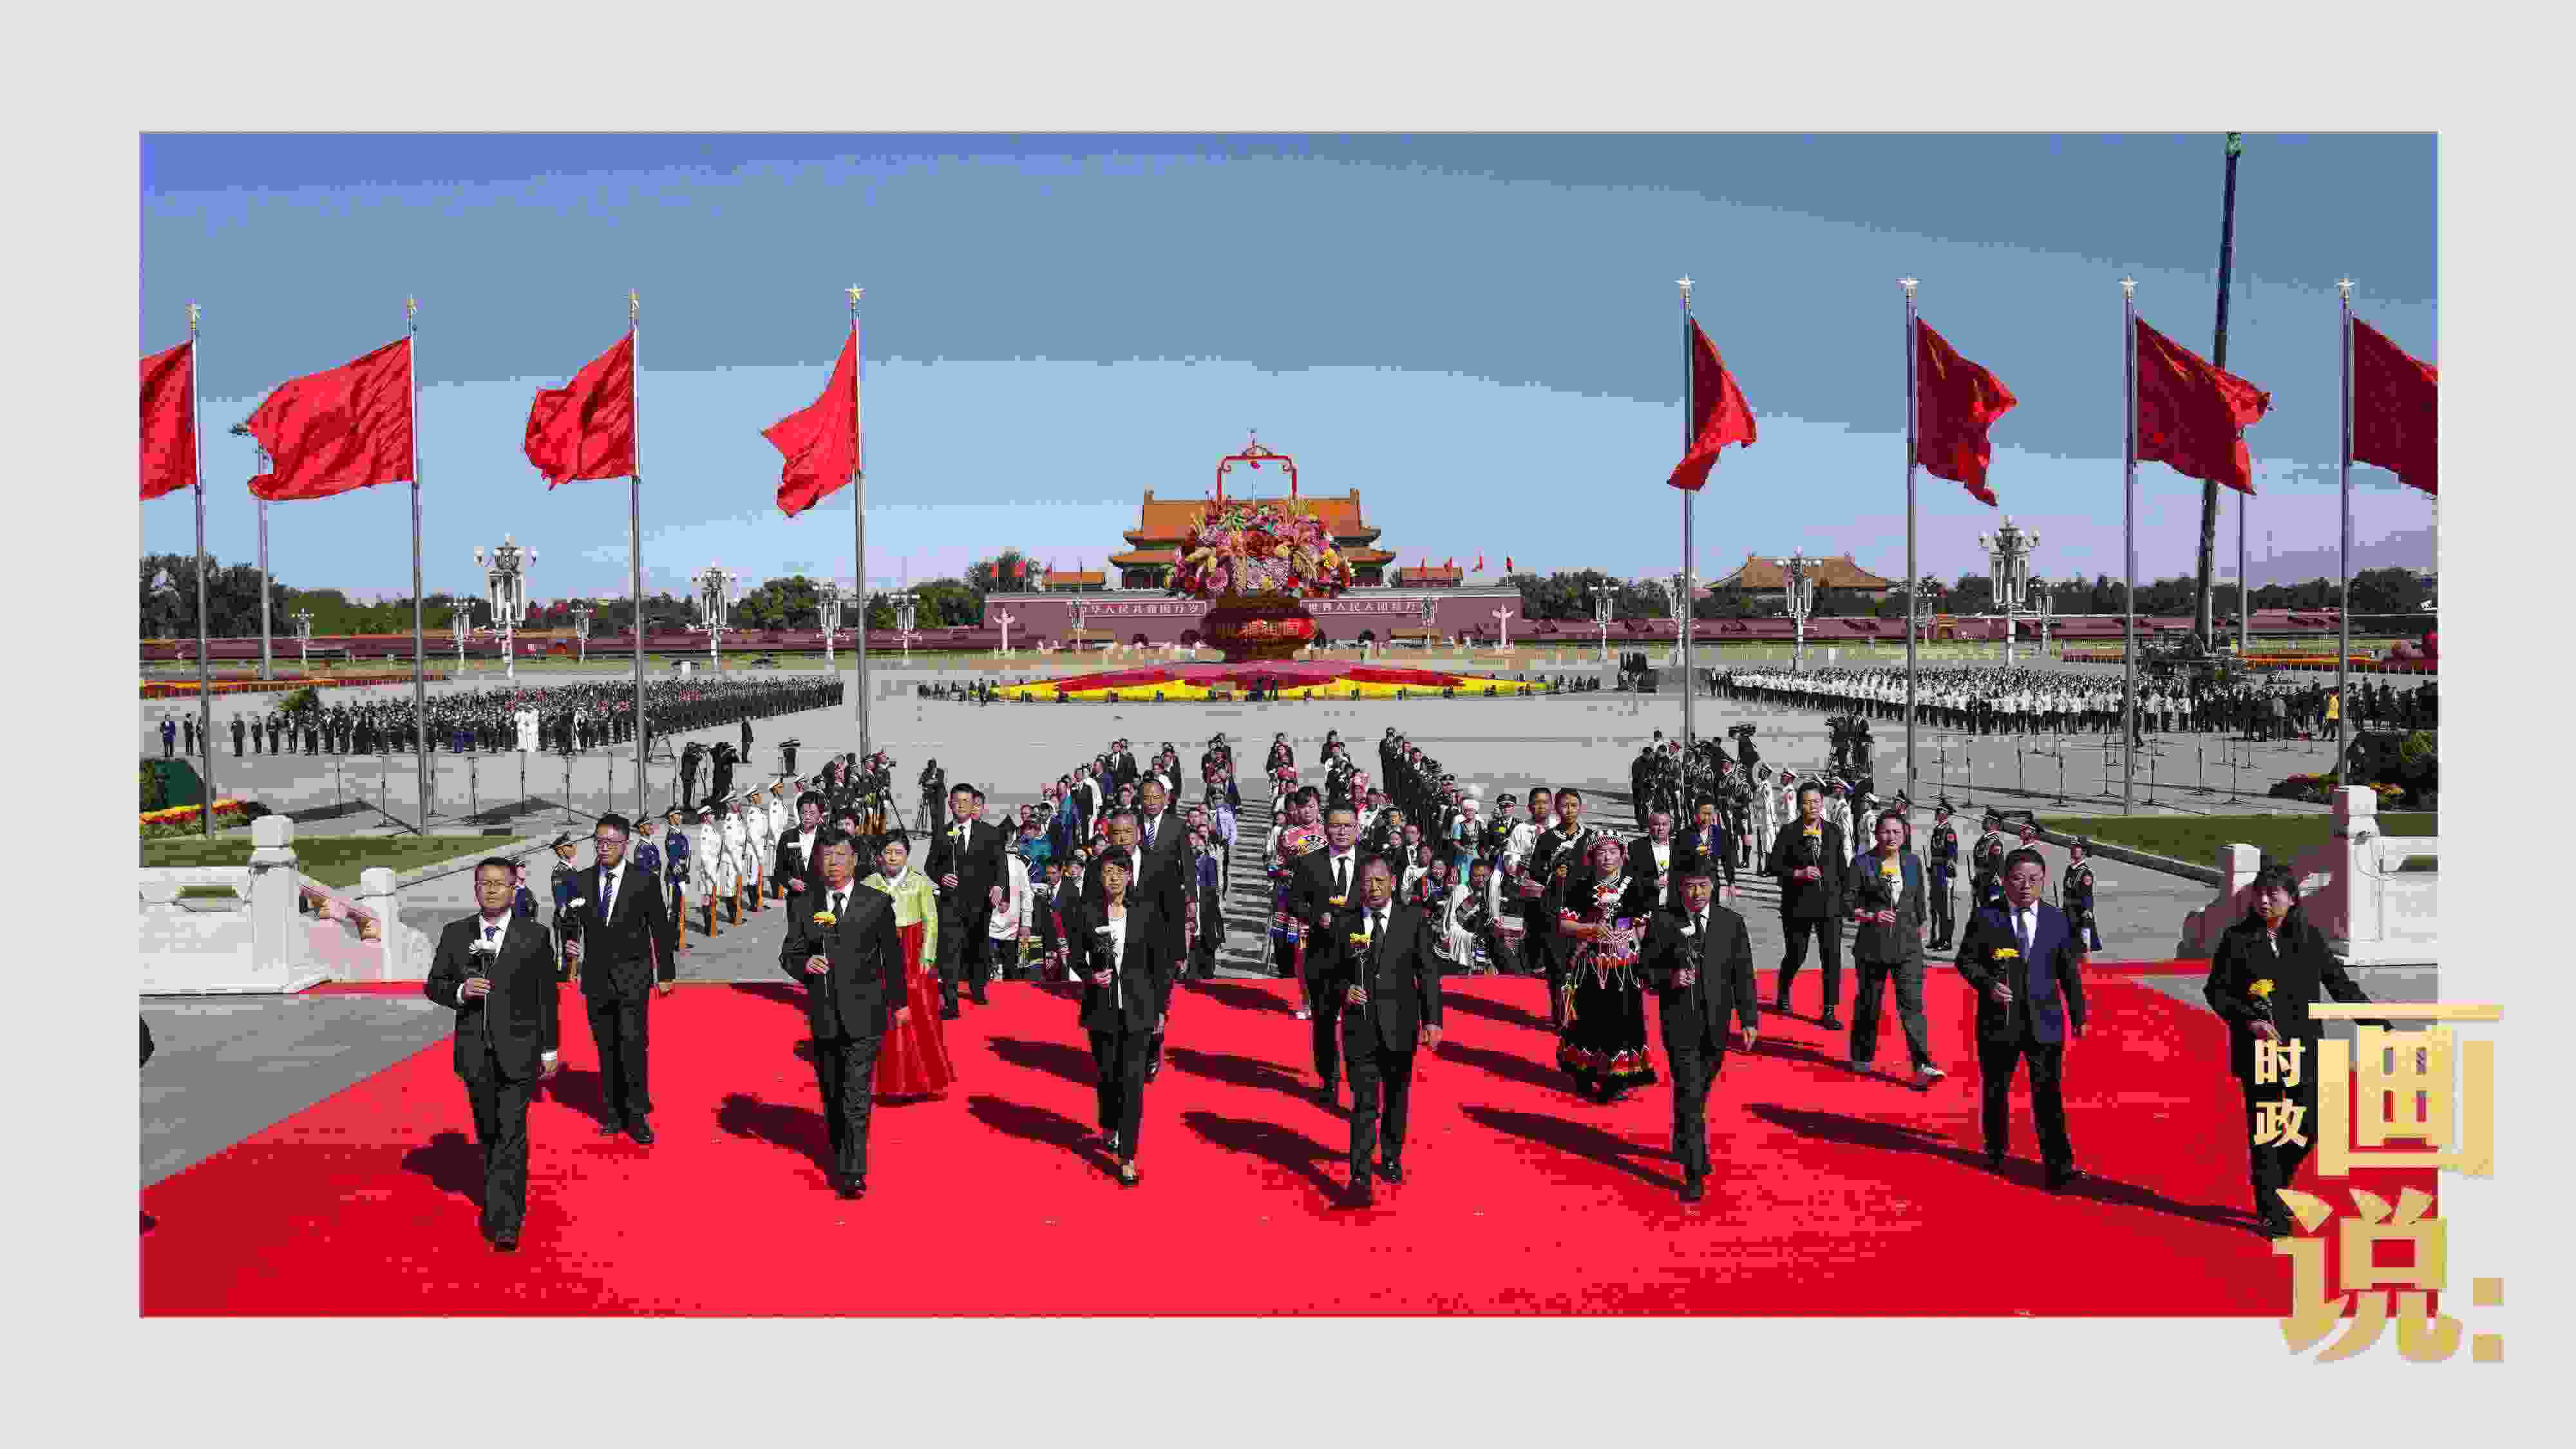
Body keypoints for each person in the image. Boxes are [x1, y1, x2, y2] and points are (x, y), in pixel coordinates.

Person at [2202, 864, 2381, 1237]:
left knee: (2310, 1126)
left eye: (2273, 894)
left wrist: (2383, 1031)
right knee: (2266, 1132)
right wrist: (2249, 1020)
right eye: (2259, 894)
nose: (2264, 901)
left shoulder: (2309, 939)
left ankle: (2277, 1181)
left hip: (2304, 1050)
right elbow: (2216, 991)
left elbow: (2341, 987)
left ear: (2293, 899)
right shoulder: (2237, 939)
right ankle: (2271, 1210)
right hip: (2259, 1052)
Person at [423, 859, 561, 1251]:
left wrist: (549, 1048)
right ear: (476, 888)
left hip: (519, 1051)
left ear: (514, 889)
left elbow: (546, 997)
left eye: (500, 883)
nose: (492, 889)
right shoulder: (456, 933)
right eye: (485, 883)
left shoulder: (534, 936)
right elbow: (434, 984)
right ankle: (498, 1194)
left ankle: (505, 1221)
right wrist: (461, 991)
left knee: (511, 1134)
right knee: (488, 1133)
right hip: (475, 1053)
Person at [781, 829, 908, 1199]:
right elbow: (789, 953)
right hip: (824, 1014)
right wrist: (804, 964)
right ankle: (841, 1153)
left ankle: (854, 1171)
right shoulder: (806, 904)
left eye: (840, 855)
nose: (833, 863)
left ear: (855, 860)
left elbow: (892, 959)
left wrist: (899, 1003)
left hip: (865, 1014)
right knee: (833, 1093)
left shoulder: (876, 903)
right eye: (826, 856)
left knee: (856, 1094)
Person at [1955, 848, 2088, 1191]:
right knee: (1996, 1089)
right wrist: (1988, 985)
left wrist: (2078, 1014)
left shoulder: (2057, 920)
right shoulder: (1987, 917)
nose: (2026, 886)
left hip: (2045, 1021)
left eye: (2034, 879)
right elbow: (1965, 961)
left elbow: (2068, 971)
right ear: (2005, 881)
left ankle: (2059, 1166)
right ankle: (1997, 1152)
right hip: (2000, 1022)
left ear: (2043, 881)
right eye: (2018, 879)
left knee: (2048, 1095)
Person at [560, 813, 679, 1146]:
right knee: (607, 1046)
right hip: (597, 979)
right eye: (599, 841)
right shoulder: (581, 880)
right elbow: (571, 921)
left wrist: (666, 973)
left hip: (633, 977)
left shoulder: (644, 880)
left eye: (611, 842)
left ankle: (636, 1114)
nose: (604, 848)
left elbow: (660, 929)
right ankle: (613, 1111)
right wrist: (569, 943)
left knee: (633, 1045)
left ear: (625, 844)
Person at [1331, 857, 1443, 1207]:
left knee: (1396, 1097)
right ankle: (1360, 1177)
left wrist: (1433, 1020)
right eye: (1368, 881)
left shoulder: (1413, 920)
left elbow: (1427, 973)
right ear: (1359, 885)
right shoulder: (1346, 922)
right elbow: (1328, 971)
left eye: (1380, 881)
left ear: (1392, 882)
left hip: (1400, 1027)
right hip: (1360, 1028)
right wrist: (1344, 989)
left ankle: (1392, 1155)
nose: (1374, 888)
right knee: (1364, 1103)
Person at [1641, 866, 1757, 1204]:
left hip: (1717, 1026)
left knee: (1696, 1092)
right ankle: (1694, 1170)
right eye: (1690, 886)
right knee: (1691, 1093)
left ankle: (1683, 1137)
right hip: (1680, 1024)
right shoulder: (1663, 921)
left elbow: (1743, 974)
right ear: (1680, 888)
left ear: (1713, 886)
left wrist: (1749, 1019)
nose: (1697, 893)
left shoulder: (1731, 923)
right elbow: (1645, 970)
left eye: (1703, 886)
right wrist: (1671, 978)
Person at [1077, 852, 1173, 1188]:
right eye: (1108, 872)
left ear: (1130, 876)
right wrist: (1090, 975)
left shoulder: (1146, 913)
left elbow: (1161, 966)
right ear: (1100, 877)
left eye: (1121, 871)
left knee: (1132, 1084)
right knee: (1108, 1076)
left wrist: (1161, 1010)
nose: (1114, 878)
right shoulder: (1088, 911)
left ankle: (1128, 1156)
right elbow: (1074, 952)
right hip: (1101, 1010)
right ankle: (1109, 1124)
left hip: (1139, 1010)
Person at [1553, 835, 1658, 1104]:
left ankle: (1618, 1079)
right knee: (1587, 1019)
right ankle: (1584, 1073)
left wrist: (1646, 958)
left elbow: (1643, 928)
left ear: (1622, 855)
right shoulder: (1581, 886)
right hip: (1589, 964)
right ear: (1592, 857)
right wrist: (1590, 929)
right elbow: (1564, 924)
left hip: (1624, 965)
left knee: (1622, 1019)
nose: (1608, 857)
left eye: (1613, 851)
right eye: (1602, 852)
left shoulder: (1635, 886)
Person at [1842, 809, 1944, 1085]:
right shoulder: (1862, 864)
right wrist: (1871, 915)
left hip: (1907, 948)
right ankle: (1861, 1055)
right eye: (1886, 832)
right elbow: (1847, 904)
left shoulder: (1912, 862)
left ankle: (1923, 1064)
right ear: (1876, 834)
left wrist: (1921, 931)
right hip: (1872, 947)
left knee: (1913, 1006)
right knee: (1869, 1004)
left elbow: (1918, 901)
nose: (1891, 837)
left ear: (1905, 835)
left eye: (1896, 832)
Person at [864, 832, 954, 1099]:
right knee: (881, 1011)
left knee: (920, 1011)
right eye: (888, 852)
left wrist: (927, 956)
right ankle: (883, 1080)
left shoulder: (919, 883)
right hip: (880, 953)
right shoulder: (869, 883)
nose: (893, 858)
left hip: (912, 952)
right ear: (879, 856)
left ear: (907, 856)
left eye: (899, 853)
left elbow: (931, 921)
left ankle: (923, 1079)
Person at [1290, 804, 1367, 1102]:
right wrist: (1315, 915)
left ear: (1357, 829)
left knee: (1358, 1022)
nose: (1342, 831)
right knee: (1324, 1021)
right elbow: (1294, 902)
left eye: (1348, 826)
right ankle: (1328, 1079)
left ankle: (1360, 1081)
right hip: (1321, 955)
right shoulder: (1310, 862)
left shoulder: (1371, 863)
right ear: (1326, 828)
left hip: (1359, 958)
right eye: (1336, 825)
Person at [1765, 782, 1848, 1028]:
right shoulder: (1789, 832)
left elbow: (1841, 868)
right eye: (1807, 802)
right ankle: (1783, 990)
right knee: (1796, 954)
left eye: (1817, 802)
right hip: (1798, 904)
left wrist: (1847, 900)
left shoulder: (1833, 831)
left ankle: (1829, 1010)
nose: (1813, 807)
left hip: (1829, 905)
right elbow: (1774, 866)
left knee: (1832, 957)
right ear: (1800, 805)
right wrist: (1798, 873)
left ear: (1823, 803)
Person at [923, 781, 1007, 1017]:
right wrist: (941, 877)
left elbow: (1000, 865)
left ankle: (978, 988)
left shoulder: (990, 833)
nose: (961, 806)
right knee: (949, 952)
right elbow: (930, 865)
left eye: (966, 801)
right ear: (950, 804)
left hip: (980, 904)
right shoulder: (942, 833)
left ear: (973, 805)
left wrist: (999, 886)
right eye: (957, 801)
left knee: (977, 948)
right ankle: (950, 1002)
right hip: (951, 904)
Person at [1927, 800, 1962, 951]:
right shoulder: (1937, 830)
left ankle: (1946, 940)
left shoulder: (1949, 832)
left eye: (1939, 811)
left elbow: (1952, 855)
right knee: (1935, 905)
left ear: (1945, 814)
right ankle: (1937, 938)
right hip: (1936, 871)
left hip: (1944, 873)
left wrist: (1950, 875)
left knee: (1946, 907)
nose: (1936, 813)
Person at [2063, 838, 2103, 952]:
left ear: (2084, 851)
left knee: (2082, 948)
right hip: (2068, 911)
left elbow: (2087, 894)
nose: (2073, 849)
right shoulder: (2070, 869)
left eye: (2077, 847)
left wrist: (2087, 910)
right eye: (2072, 847)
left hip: (2079, 914)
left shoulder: (2085, 873)